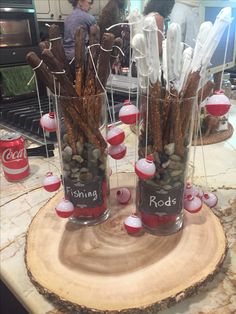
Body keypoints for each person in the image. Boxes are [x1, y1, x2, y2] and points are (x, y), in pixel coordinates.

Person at [63, 0, 96, 65]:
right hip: (80, 57)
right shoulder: (89, 18)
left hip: (66, 57)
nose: (90, 7)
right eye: (89, 3)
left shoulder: (67, 18)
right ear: (80, 1)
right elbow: (95, 39)